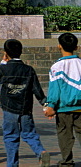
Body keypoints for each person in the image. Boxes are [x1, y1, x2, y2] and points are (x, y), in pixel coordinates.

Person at [0, 38, 51, 167]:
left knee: (10, 137)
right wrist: (45, 104)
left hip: (9, 108)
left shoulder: (4, 69)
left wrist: (3, 62)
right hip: (25, 108)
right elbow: (37, 89)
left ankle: (12, 164)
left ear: (6, 53)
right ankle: (40, 152)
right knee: (29, 134)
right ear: (21, 52)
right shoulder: (28, 70)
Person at [43, 31, 81, 167]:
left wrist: (51, 105)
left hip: (64, 108)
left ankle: (67, 161)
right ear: (76, 47)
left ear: (59, 46)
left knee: (65, 136)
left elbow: (54, 89)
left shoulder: (56, 67)